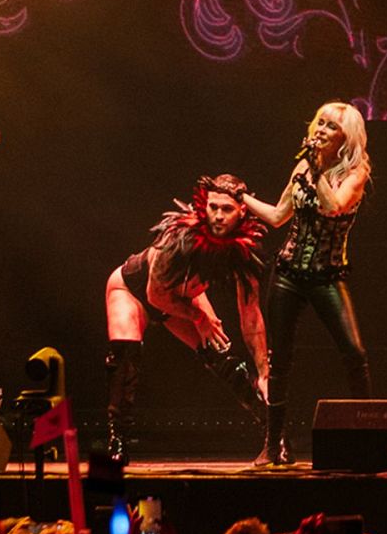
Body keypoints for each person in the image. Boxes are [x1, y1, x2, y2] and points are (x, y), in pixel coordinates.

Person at [241, 102, 373, 468]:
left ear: (346, 138)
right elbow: (278, 216)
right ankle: (274, 444)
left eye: (332, 127)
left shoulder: (356, 172)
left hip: (327, 274)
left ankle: (369, 436)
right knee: (279, 360)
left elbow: (333, 207)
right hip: (288, 272)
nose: (322, 130)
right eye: (320, 123)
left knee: (354, 353)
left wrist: (316, 170)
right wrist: (241, 198)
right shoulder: (302, 166)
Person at [104, 174, 270, 463]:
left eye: (226, 209)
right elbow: (155, 295)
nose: (218, 216)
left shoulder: (242, 250)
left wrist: (263, 370)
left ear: (242, 210)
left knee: (219, 353)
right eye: (213, 207)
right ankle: (117, 440)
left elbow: (251, 314)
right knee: (125, 357)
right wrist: (198, 317)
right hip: (134, 290)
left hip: (180, 297)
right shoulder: (179, 236)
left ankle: (271, 428)